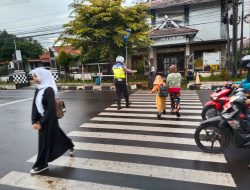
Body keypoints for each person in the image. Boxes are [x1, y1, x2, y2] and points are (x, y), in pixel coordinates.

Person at [30, 67, 74, 175]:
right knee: (58, 134)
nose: (33, 78)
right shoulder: (38, 88)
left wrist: (42, 123)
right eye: (33, 76)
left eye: (35, 76)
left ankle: (41, 165)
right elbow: (35, 106)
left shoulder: (49, 89)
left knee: (44, 142)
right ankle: (69, 144)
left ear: (42, 76)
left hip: (49, 119)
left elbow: (50, 109)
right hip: (42, 119)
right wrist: (34, 120)